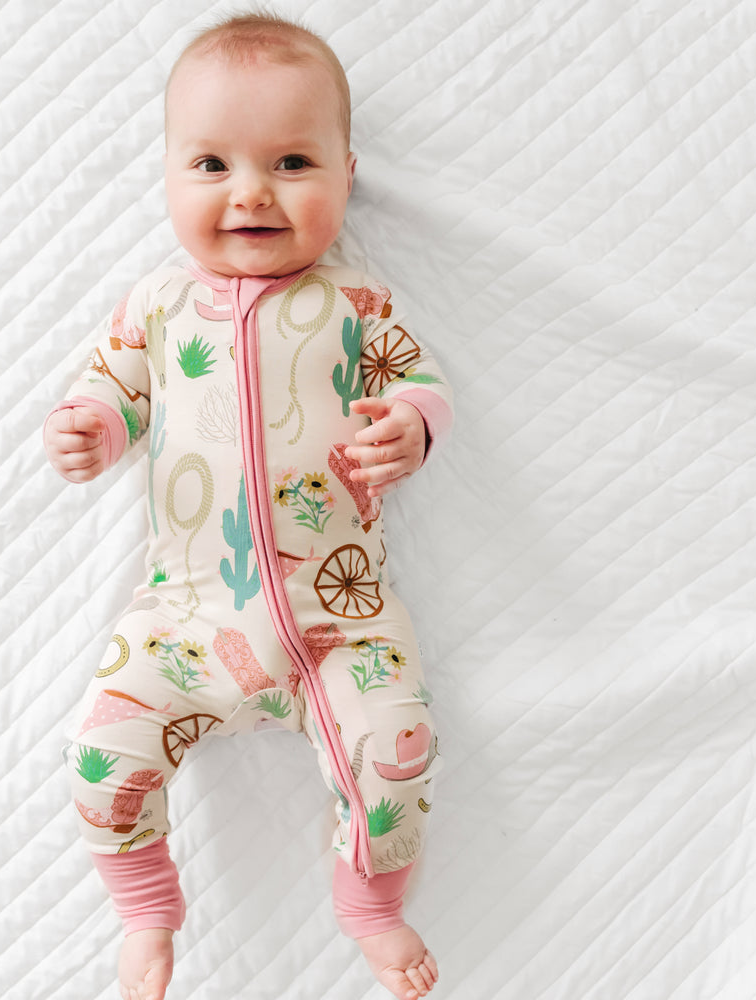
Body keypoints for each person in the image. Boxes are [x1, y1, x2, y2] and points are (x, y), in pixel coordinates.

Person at [43, 12, 453, 1000]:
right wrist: (92, 424)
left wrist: (410, 424)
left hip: (339, 624)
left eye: (292, 161)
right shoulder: (156, 304)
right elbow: (113, 383)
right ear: (170, 175)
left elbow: (420, 383)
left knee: (399, 760)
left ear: (347, 177)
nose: (251, 192)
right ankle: (144, 912)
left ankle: (369, 905)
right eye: (213, 164)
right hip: (181, 621)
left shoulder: (358, 302)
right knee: (97, 757)